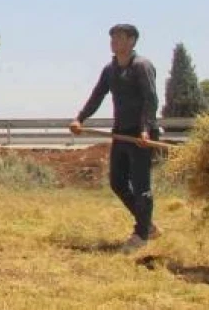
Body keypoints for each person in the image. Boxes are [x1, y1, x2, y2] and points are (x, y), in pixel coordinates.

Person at [69, 24, 162, 253]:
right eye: (112, 37)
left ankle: (141, 234)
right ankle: (147, 225)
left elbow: (151, 99)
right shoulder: (109, 70)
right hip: (121, 133)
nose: (113, 41)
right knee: (117, 183)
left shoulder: (142, 66)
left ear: (132, 41)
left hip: (142, 134)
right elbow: (97, 95)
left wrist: (145, 130)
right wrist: (80, 118)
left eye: (119, 37)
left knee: (141, 186)